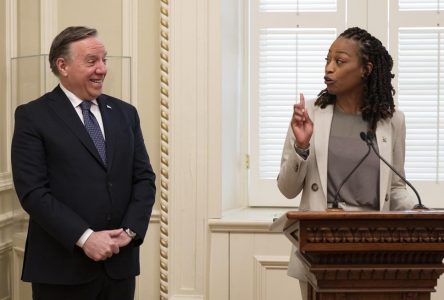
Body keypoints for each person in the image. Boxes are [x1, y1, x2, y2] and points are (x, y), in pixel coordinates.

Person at [11, 26, 156, 300]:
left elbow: (144, 179)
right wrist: (86, 237)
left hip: (119, 267)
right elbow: (33, 192)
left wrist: (130, 231)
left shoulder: (125, 113)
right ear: (62, 65)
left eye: (104, 60)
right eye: (92, 61)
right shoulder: (33, 116)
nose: (102, 69)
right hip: (61, 269)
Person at [276, 27, 415, 299]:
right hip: (319, 251)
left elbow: (396, 187)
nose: (329, 69)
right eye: (327, 61)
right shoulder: (310, 114)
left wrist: (420, 212)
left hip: (375, 251)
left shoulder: (392, 121)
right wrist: (301, 146)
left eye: (339, 62)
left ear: (366, 68)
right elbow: (287, 189)